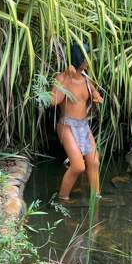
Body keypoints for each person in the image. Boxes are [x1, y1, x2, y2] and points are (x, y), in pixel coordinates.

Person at [52, 43, 103, 200]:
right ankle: (63, 198)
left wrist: (97, 98)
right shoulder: (61, 78)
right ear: (79, 58)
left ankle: (96, 197)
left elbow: (96, 94)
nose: (89, 60)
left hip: (83, 125)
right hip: (67, 125)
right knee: (78, 166)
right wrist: (66, 79)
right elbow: (53, 101)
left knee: (94, 162)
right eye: (87, 57)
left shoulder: (86, 79)